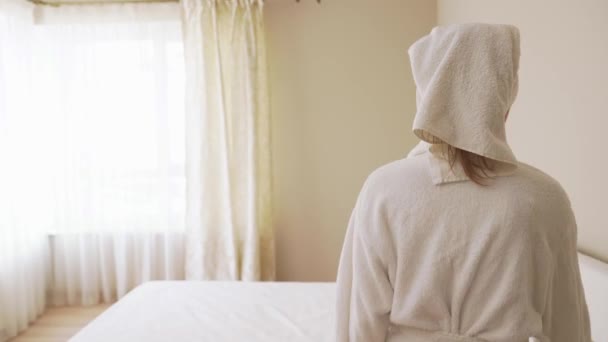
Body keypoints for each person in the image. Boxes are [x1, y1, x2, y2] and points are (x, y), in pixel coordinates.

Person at [335, 23, 591, 342]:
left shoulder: (382, 190)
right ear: (505, 94)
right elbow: (569, 327)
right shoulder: (547, 199)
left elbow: (359, 324)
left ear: (426, 91)